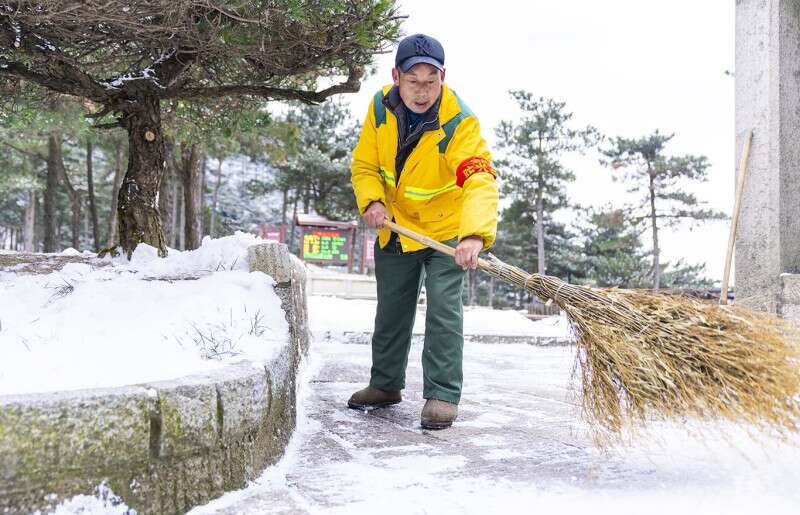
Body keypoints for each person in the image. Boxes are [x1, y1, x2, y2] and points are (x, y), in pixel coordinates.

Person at [349, 34, 499, 429]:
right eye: (413, 81)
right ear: (396, 76)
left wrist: (474, 234)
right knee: (392, 308)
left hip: (446, 231)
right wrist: (372, 201)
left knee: (443, 309)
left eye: (431, 82)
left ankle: (442, 395)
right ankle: (384, 385)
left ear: (442, 77)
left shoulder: (458, 122)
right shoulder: (380, 108)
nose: (422, 92)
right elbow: (364, 165)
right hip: (397, 227)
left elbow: (480, 179)